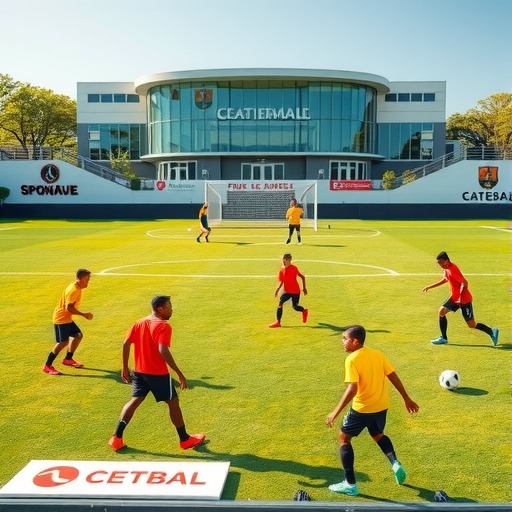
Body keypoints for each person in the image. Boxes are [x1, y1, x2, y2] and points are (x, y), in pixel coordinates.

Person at [326, 325, 419, 496]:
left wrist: (335, 412)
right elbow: (392, 375)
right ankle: (395, 463)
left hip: (362, 408)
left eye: (345, 339)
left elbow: (353, 388)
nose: (342, 342)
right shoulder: (378, 354)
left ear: (355, 341)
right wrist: (406, 398)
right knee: (377, 434)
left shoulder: (352, 359)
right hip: (381, 406)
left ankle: (350, 484)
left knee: (344, 438)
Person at [108, 295, 205, 452]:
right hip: (157, 374)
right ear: (161, 309)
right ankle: (185, 440)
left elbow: (126, 343)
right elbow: (163, 350)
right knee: (173, 402)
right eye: (169, 306)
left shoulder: (139, 322)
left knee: (135, 400)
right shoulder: (163, 326)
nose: (172, 309)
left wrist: (125, 368)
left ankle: (116, 438)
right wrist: (179, 373)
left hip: (139, 371)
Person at [422, 251, 499, 346]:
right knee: (441, 311)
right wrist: (430, 286)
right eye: (439, 263)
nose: (440, 265)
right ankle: (444, 338)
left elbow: (464, 283)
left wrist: (459, 298)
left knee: (471, 324)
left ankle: (491, 331)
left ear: (446, 261)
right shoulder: (446, 269)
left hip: (464, 300)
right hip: (455, 298)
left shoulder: (453, 269)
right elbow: (445, 279)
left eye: (441, 263)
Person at [42, 269, 93, 375]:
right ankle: (47, 365)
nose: (88, 281)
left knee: (77, 335)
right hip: (61, 318)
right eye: (87, 279)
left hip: (66, 318)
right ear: (80, 279)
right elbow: (69, 307)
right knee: (63, 342)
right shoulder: (74, 290)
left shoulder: (76, 287)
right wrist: (84, 314)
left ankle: (68, 359)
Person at [269, 253, 308, 328]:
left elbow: (302, 277)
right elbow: (282, 281)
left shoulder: (294, 268)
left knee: (295, 307)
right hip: (287, 291)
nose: (289, 261)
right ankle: (278, 322)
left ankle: (304, 311)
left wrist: (304, 288)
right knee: (280, 303)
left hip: (295, 291)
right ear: (284, 259)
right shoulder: (281, 270)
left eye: (290, 259)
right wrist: (277, 289)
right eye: (287, 259)